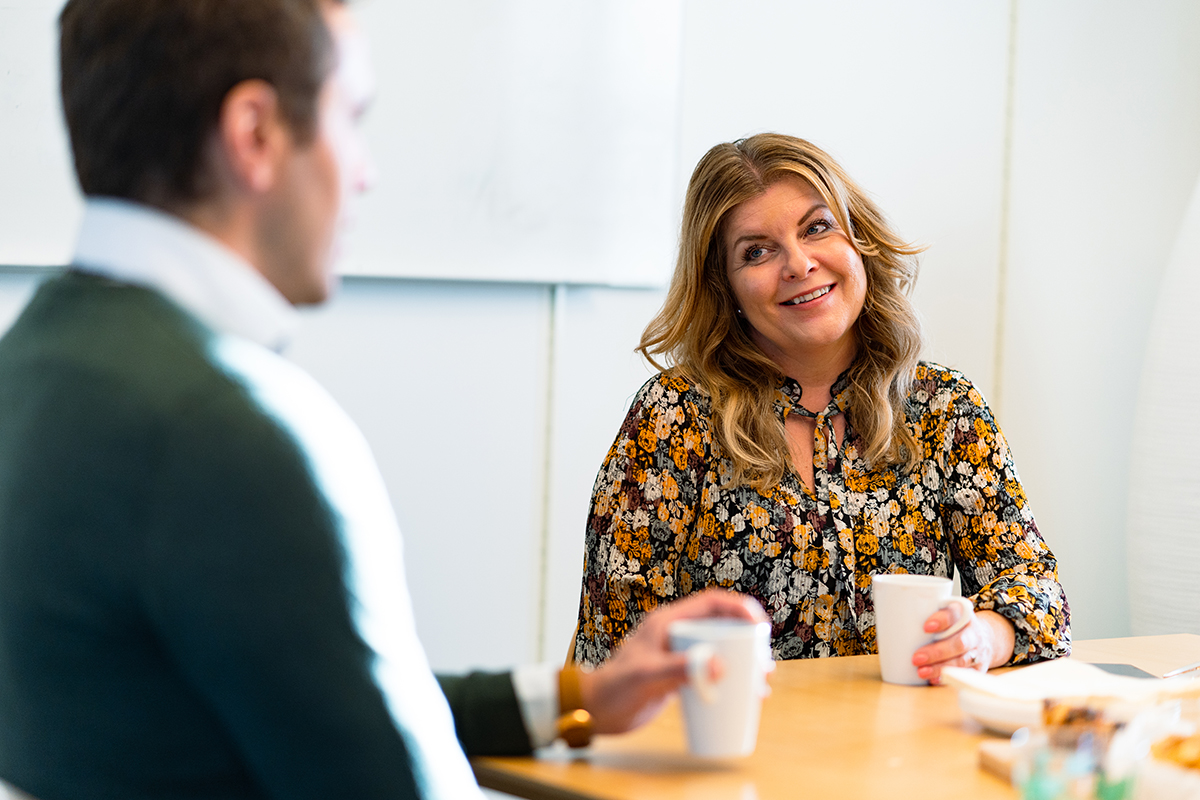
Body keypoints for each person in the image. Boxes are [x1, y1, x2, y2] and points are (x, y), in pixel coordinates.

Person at [0, 2, 765, 799]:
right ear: (255, 134)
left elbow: (326, 710)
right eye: (350, 118)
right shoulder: (230, 433)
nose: (366, 170)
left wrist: (581, 700)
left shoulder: (37, 366)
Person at [573, 133, 1071, 682]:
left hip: (906, 757)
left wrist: (983, 637)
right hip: (732, 753)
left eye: (816, 227)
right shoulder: (674, 418)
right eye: (756, 251)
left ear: (860, 239)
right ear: (725, 287)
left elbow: (1038, 594)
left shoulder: (945, 410)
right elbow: (613, 655)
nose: (799, 263)